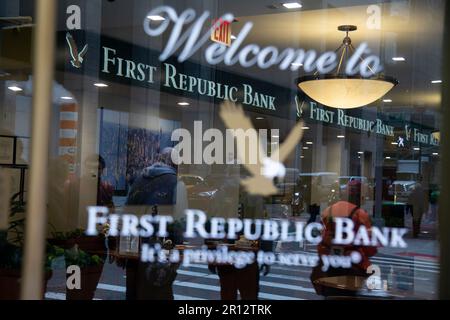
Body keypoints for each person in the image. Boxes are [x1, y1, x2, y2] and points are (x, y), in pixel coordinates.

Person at [121, 147, 188, 300]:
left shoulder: (139, 180)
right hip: (160, 250)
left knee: (134, 293)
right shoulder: (176, 184)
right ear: (176, 164)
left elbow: (126, 214)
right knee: (159, 292)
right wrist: (177, 252)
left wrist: (123, 250)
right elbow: (180, 224)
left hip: (133, 248)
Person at [310, 179, 377, 296]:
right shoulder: (361, 215)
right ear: (358, 196)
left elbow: (321, 238)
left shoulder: (328, 211)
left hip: (329, 264)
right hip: (352, 267)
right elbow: (370, 248)